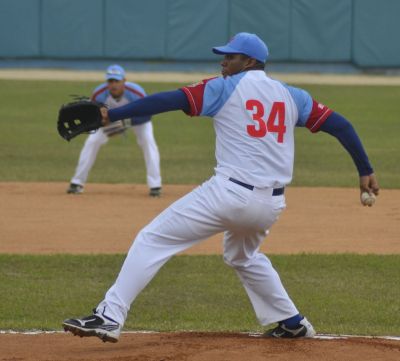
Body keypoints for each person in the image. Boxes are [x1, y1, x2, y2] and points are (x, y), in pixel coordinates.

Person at [63, 33, 379, 342]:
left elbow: (170, 100)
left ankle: (110, 315)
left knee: (152, 238)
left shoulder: (224, 88)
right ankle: (292, 321)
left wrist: (111, 114)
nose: (224, 62)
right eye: (223, 56)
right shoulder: (292, 96)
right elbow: (341, 125)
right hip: (270, 206)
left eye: (231, 56)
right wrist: (365, 169)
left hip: (228, 195)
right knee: (242, 256)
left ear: (250, 61)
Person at [67, 65, 162, 197]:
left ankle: (155, 186)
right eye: (110, 81)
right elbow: (93, 116)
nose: (113, 85)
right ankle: (77, 182)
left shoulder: (136, 93)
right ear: (107, 83)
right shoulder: (99, 94)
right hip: (111, 122)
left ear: (124, 81)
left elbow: (148, 113)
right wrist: (99, 122)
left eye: (117, 81)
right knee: (92, 141)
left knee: (148, 142)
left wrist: (123, 123)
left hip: (138, 120)